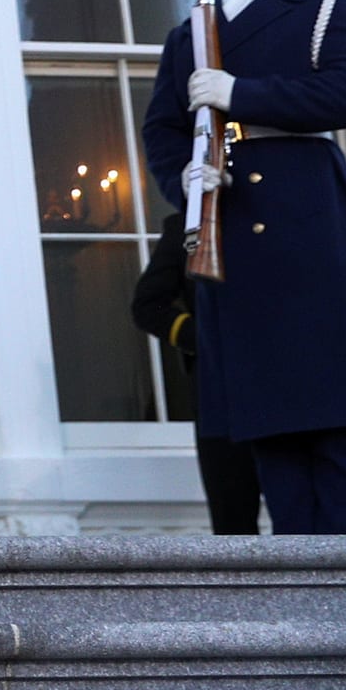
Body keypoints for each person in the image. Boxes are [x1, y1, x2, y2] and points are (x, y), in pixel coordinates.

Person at [143, 0, 346, 535]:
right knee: (274, 433)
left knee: (333, 423)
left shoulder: (329, 7)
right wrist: (187, 181)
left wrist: (241, 93)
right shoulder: (192, 34)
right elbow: (163, 129)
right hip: (228, 222)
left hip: (304, 219)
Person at [130, 220, 263, 535]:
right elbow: (149, 305)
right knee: (234, 524)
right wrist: (208, 338)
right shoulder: (188, 227)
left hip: (288, 388)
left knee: (304, 526)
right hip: (221, 392)